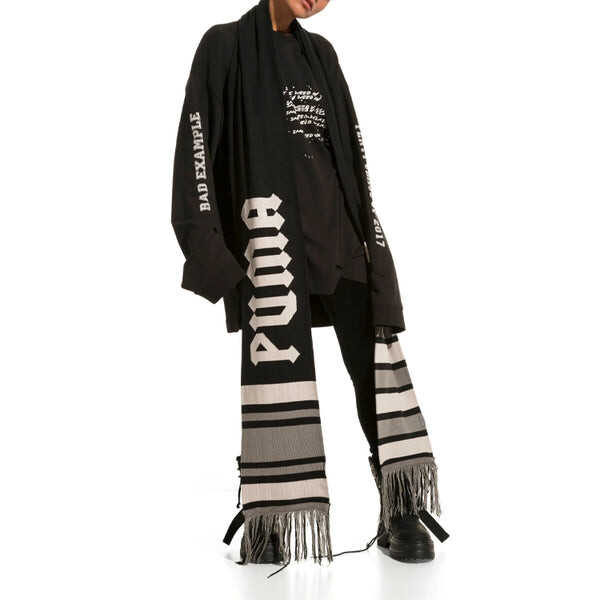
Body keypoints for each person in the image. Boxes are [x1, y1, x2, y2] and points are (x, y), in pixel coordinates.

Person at [171, 0, 447, 570]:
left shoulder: (321, 54)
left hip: (338, 237)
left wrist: (371, 244)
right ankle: (272, 512)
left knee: (375, 368)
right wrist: (208, 247)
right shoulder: (225, 45)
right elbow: (195, 153)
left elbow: (350, 155)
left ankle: (398, 506)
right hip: (271, 235)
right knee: (274, 376)